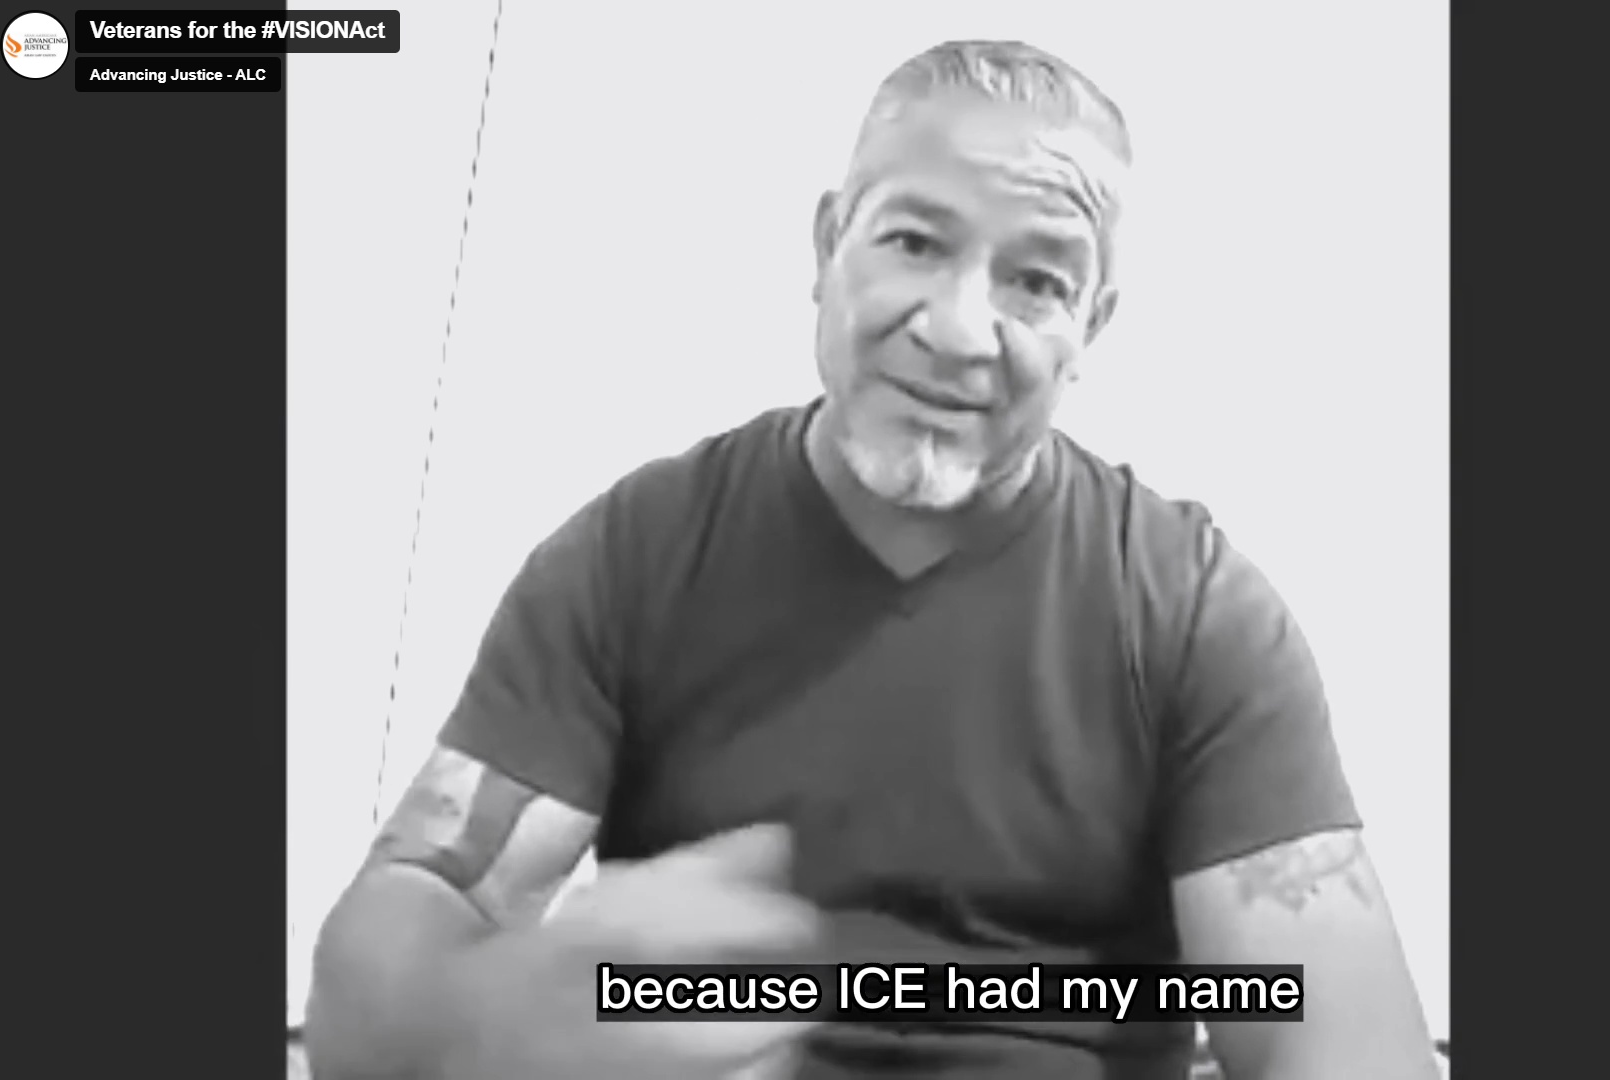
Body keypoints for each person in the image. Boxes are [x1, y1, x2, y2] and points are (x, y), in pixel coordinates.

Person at [306, 39, 1440, 1080]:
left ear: (1092, 326)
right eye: (915, 243)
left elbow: (1343, 1048)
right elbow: (379, 978)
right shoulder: (635, 554)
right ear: (826, 246)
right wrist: (500, 1014)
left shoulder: (1192, 611)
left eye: (1037, 281)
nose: (958, 331)